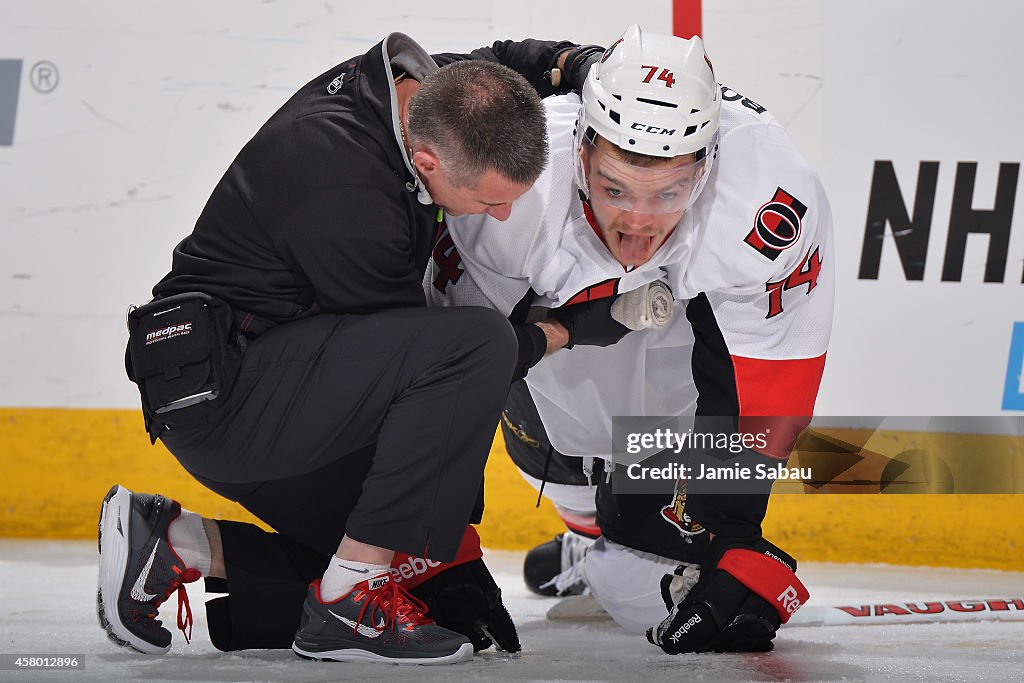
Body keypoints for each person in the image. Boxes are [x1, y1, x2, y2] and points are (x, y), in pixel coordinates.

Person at [99, 32, 607, 665]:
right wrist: (564, 331)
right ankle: (349, 601)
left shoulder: (437, 95)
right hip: (230, 402)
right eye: (489, 202)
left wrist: (581, 66)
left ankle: (175, 543)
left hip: (283, 367)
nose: (503, 218)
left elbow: (506, 61)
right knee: (474, 349)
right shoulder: (344, 188)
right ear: (427, 164)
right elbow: (432, 369)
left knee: (450, 604)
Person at [426, 25, 833, 654]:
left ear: (707, 167)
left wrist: (730, 536)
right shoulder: (516, 187)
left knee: (637, 576)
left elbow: (769, 375)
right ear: (582, 152)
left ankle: (604, 551)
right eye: (615, 188)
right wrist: (438, 546)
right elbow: (448, 375)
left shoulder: (766, 198)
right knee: (554, 456)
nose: (639, 222)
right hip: (553, 336)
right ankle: (584, 529)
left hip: (680, 344)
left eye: (668, 193)